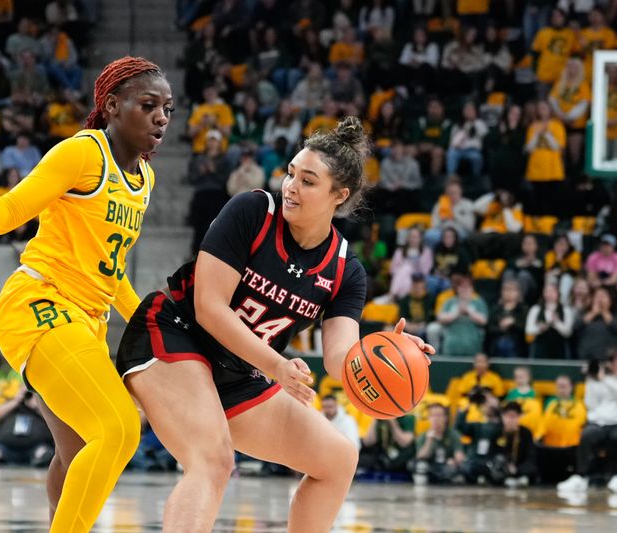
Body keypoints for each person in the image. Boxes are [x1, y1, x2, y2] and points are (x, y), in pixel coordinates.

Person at [115, 117, 434, 531]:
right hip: (176, 332)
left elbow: (341, 360)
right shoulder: (252, 211)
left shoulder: (345, 271)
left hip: (237, 371)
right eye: (291, 173)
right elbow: (209, 307)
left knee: (339, 459)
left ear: (340, 195)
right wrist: (276, 366)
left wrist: (386, 353)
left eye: (308, 181)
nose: (291, 186)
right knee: (213, 461)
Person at [0, 56, 173, 532]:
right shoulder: (81, 154)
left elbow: (110, 270)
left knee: (77, 451)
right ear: (113, 106)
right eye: (149, 104)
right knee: (119, 428)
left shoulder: (145, 180)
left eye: (168, 108)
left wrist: (152, 320)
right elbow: (4, 217)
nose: (161, 117)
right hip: (41, 303)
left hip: (87, 321)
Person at [557, 351, 617, 493]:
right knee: (586, 435)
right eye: (612, 361)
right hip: (598, 424)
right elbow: (591, 405)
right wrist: (592, 379)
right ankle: (581, 476)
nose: (615, 365)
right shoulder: (594, 381)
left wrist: (606, 380)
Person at [0, 385, 54, 467]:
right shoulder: (12, 404)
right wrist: (16, 401)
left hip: (36, 446)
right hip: (6, 446)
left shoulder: (42, 406)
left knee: (44, 453)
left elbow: (53, 419)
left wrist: (38, 404)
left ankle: (42, 461)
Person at [535, 374, 586, 484]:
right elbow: (543, 424)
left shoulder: (579, 405)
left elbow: (581, 424)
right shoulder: (551, 404)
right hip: (551, 447)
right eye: (559, 386)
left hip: (571, 448)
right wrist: (538, 436)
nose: (561, 389)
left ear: (571, 387)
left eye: (564, 386)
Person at [413, 403, 465, 485]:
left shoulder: (453, 434)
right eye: (432, 415)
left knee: (461, 468)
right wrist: (429, 441)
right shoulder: (424, 436)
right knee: (419, 465)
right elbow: (420, 456)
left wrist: (454, 461)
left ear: (445, 418)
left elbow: (459, 455)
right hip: (431, 467)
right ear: (429, 418)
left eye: (438, 415)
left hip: (446, 466)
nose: (435, 419)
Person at [526, 283, 575, 359]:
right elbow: (528, 330)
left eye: (553, 291)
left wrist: (556, 322)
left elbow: (568, 332)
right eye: (547, 291)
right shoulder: (536, 309)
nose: (550, 294)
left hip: (559, 350)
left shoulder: (565, 310)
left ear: (558, 293)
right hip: (540, 350)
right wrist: (539, 328)